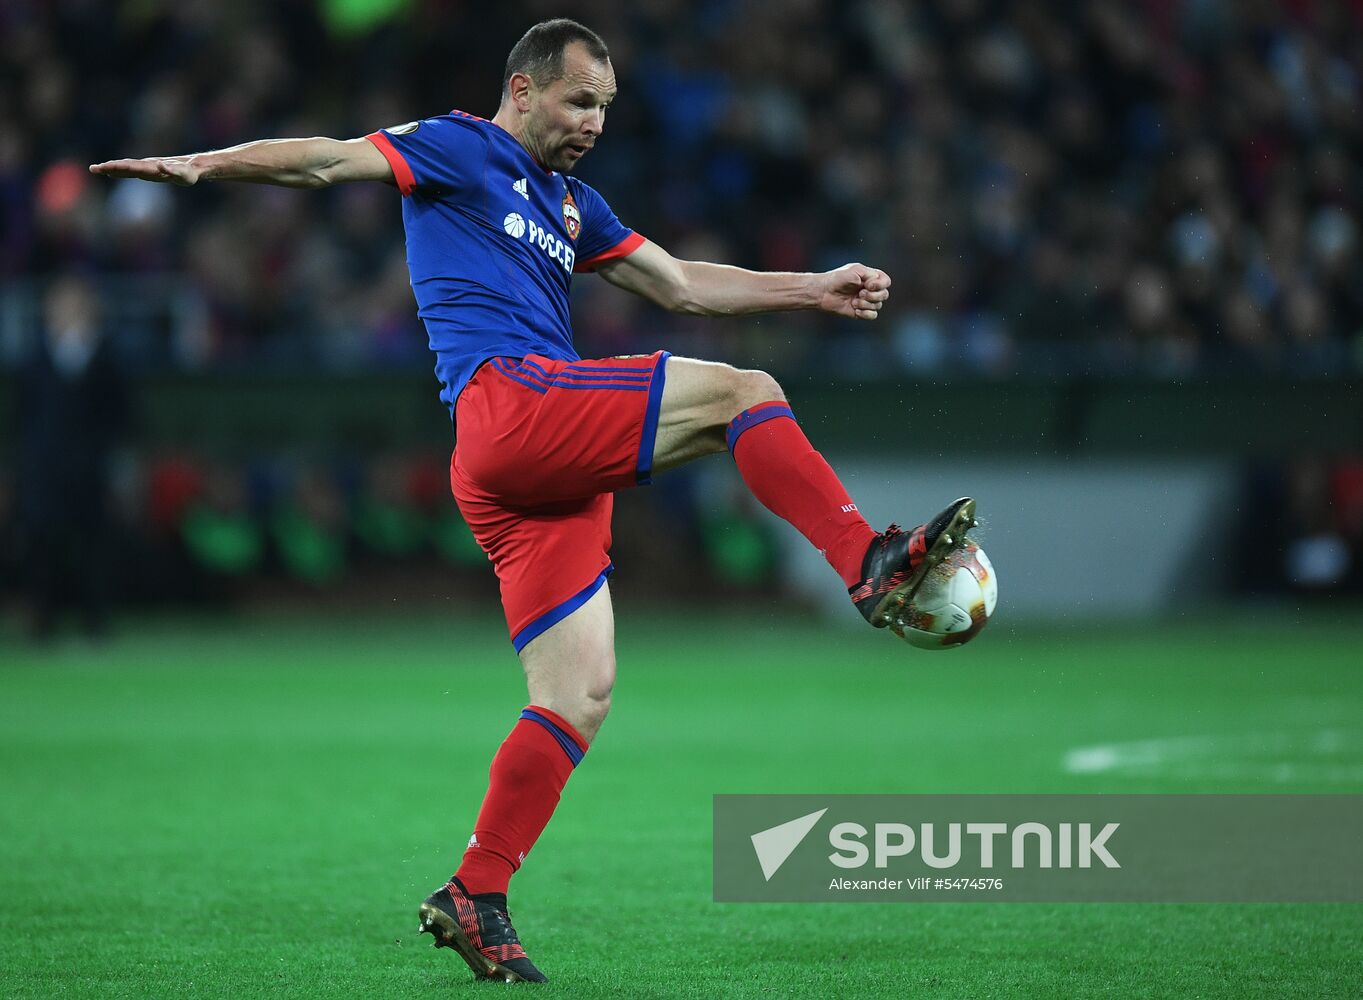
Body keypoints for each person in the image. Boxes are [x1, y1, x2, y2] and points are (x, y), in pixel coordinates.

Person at [91, 18, 977, 984]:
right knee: (745, 394)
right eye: (577, 100)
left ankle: (475, 891)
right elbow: (321, 161)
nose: (593, 121)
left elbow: (678, 283)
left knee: (577, 695)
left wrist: (811, 287)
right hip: (511, 405)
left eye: (603, 107)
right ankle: (864, 560)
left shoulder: (570, 202)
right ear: (523, 90)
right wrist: (201, 166)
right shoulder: (458, 146)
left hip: (525, 472)